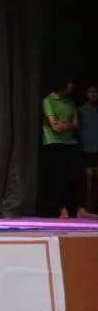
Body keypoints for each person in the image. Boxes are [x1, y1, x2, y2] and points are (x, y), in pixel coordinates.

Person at [40, 76, 82, 218]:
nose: (72, 86)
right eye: (70, 83)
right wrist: (66, 125)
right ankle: (61, 209)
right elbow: (54, 127)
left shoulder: (70, 102)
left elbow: (76, 124)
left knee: (74, 176)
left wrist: (63, 125)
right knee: (58, 177)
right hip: (53, 142)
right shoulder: (48, 100)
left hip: (70, 142)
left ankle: (78, 209)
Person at [79, 84, 98, 214]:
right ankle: (87, 208)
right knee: (88, 180)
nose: (93, 94)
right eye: (90, 92)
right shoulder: (81, 110)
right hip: (86, 149)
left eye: (95, 92)